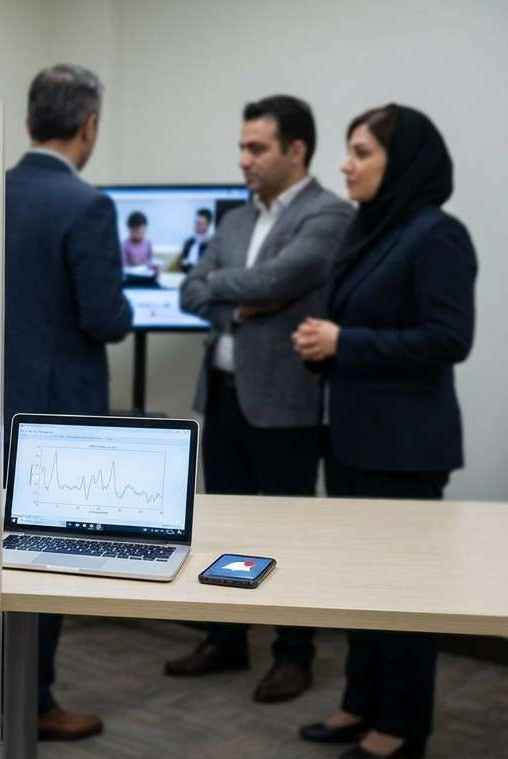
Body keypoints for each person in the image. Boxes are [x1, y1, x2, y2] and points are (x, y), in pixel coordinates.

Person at [293, 104, 475, 759]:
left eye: (362, 152)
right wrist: (324, 347)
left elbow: (450, 339)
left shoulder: (437, 235)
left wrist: (348, 341)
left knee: (404, 595)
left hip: (406, 449)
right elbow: (357, 327)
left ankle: (402, 724)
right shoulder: (370, 229)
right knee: (360, 588)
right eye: (348, 150)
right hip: (352, 439)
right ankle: (361, 701)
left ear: (404, 162)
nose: (346, 163)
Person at [174, 95, 353, 702]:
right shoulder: (234, 220)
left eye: (257, 148)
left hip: (286, 401)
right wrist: (247, 300)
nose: (244, 159)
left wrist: (240, 293)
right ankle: (226, 641)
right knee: (224, 524)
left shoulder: (328, 214)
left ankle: (293, 653)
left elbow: (280, 278)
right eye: (243, 146)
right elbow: (190, 293)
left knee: (288, 531)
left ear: (295, 150)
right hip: (223, 395)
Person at [5, 63, 131, 741]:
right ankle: (35, 702)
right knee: (48, 558)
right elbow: (105, 318)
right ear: (88, 126)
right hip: (60, 419)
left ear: (29, 123)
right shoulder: (88, 205)